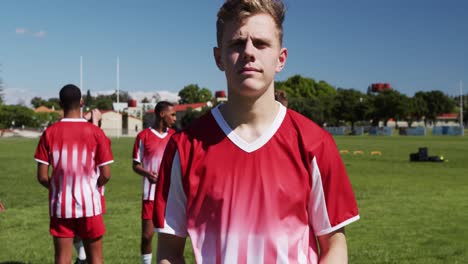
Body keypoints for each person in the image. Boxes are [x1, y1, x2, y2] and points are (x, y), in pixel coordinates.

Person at [154, 0, 360, 263]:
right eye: (238, 43)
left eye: (261, 43)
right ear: (219, 58)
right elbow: (169, 252)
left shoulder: (315, 143)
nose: (249, 52)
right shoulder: (183, 148)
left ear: (280, 58)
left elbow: (334, 246)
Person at [34, 84, 113, 264]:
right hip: (90, 205)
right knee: (96, 259)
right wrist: (91, 187)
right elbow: (106, 174)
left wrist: (59, 187)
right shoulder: (96, 132)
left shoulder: (49, 133)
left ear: (60, 103)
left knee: (62, 258)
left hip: (61, 205)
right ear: (82, 102)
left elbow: (42, 176)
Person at [132, 101, 177, 264]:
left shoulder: (174, 137)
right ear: (161, 114)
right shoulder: (143, 136)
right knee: (147, 236)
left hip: (170, 195)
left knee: (170, 239)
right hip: (150, 195)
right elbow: (136, 165)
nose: (175, 118)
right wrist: (147, 173)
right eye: (172, 114)